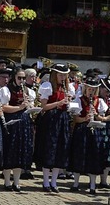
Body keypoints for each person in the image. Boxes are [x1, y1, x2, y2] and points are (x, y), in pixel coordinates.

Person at [36, 64, 75, 193]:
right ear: (54, 75)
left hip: (63, 119)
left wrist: (69, 104)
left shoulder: (67, 88)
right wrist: (59, 103)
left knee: (61, 148)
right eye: (60, 75)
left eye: (65, 75)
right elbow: (44, 107)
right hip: (51, 119)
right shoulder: (47, 86)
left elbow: (68, 107)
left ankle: (54, 181)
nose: (63, 77)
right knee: (49, 148)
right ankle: (46, 181)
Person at [0, 68, 35, 192]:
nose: (22, 80)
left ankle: (17, 182)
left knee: (21, 152)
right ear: (14, 77)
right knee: (10, 151)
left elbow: (29, 108)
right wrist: (20, 107)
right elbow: (3, 107)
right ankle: (7, 181)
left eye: (24, 78)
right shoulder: (6, 90)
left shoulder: (28, 91)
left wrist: (30, 107)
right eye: (19, 78)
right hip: (12, 122)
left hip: (24, 123)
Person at [68, 77, 105, 194]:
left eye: (93, 89)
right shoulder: (78, 100)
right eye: (89, 89)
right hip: (82, 130)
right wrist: (85, 118)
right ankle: (76, 183)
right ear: (85, 88)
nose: (91, 91)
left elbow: (101, 117)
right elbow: (75, 119)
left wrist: (96, 115)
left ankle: (93, 185)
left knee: (94, 156)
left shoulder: (99, 101)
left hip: (94, 130)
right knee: (79, 154)